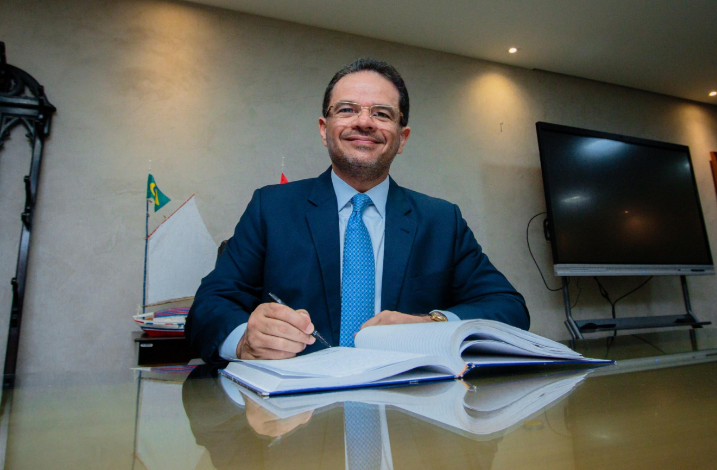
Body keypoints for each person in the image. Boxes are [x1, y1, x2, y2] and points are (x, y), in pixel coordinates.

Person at [186, 58, 529, 364]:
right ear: (324, 130)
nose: (364, 122)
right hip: (296, 406)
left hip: (406, 404)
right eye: (348, 110)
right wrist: (245, 340)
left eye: (381, 113)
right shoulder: (271, 208)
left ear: (402, 137)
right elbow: (208, 308)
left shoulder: (441, 221)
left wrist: (431, 323)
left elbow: (508, 307)